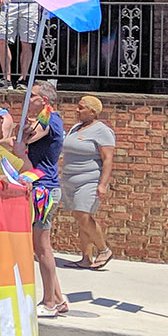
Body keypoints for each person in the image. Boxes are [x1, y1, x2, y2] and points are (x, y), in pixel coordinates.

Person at [11, 81, 67, 317]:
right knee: (40, 246)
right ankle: (58, 298)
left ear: (43, 100)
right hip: (40, 185)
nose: (27, 99)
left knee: (42, 247)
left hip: (43, 188)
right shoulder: (45, 119)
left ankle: (49, 302)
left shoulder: (49, 120)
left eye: (31, 95)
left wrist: (20, 141)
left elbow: (24, 142)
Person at [59, 94, 117, 269]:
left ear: (93, 112)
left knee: (82, 214)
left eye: (81, 107)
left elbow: (108, 159)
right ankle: (86, 258)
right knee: (80, 217)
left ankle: (104, 250)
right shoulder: (76, 128)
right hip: (70, 180)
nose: (77, 110)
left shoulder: (102, 131)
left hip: (89, 180)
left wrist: (103, 184)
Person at [0, 0, 41, 89]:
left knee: (26, 42)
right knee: (1, 38)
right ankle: (6, 78)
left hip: (31, 2)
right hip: (11, 2)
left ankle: (23, 78)